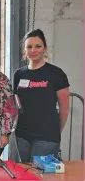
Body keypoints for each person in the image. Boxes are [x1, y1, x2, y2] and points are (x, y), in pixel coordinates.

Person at [13, 29, 70, 163]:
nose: (33, 50)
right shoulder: (19, 74)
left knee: (42, 175)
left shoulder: (56, 73)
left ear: (44, 48)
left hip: (47, 136)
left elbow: (64, 110)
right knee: (26, 174)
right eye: (29, 47)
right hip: (23, 135)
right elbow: (18, 105)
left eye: (38, 46)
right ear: (25, 50)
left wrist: (56, 131)